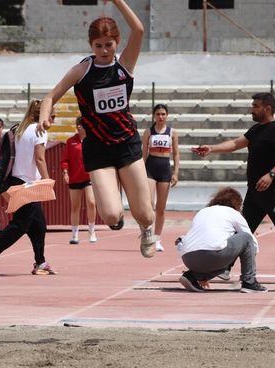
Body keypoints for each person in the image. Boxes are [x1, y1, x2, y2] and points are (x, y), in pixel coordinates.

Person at [37, 0, 157, 257]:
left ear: (117, 42)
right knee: (112, 215)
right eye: (98, 46)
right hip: (98, 149)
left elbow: (139, 31)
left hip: (127, 143)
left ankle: (146, 228)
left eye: (109, 45)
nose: (104, 50)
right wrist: (44, 118)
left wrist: (117, 2)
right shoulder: (82, 70)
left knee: (145, 213)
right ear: (91, 45)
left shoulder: (124, 65)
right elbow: (50, 96)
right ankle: (121, 204)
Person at [192, 92, 275, 284]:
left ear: (267, 108)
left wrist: (270, 175)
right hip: (254, 192)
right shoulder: (255, 130)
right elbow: (236, 143)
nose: (251, 109)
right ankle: (225, 268)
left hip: (273, 191)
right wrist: (212, 148)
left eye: (255, 106)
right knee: (242, 231)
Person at [0, 99, 56, 276]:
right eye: (52, 115)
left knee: (38, 224)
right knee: (20, 225)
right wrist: (48, 181)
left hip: (17, 181)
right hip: (29, 184)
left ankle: (40, 262)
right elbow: (40, 159)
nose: (54, 119)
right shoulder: (40, 131)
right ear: (43, 115)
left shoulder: (21, 129)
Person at [176, 187, 267, 293]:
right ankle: (249, 282)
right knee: (246, 238)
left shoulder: (202, 211)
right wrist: (249, 256)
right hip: (214, 255)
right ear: (236, 204)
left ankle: (191, 276)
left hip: (188, 258)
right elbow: (251, 241)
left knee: (223, 264)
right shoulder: (233, 213)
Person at [141, 103, 179, 252]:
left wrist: (175, 172)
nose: (161, 117)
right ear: (154, 116)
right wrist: (140, 171)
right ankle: (147, 233)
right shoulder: (148, 132)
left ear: (167, 115)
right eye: (158, 114)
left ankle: (157, 239)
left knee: (161, 208)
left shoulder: (172, 132)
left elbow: (176, 154)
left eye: (163, 114)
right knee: (149, 204)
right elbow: (144, 154)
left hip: (164, 169)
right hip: (150, 167)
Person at [61, 117, 97, 244]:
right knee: (75, 206)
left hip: (89, 177)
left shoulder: (92, 141)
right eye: (78, 124)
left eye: (81, 124)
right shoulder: (71, 141)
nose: (79, 126)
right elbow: (65, 159)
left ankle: (92, 230)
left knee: (91, 202)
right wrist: (65, 172)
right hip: (74, 178)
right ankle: (75, 234)